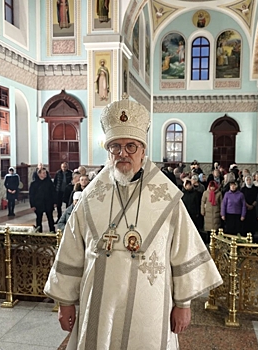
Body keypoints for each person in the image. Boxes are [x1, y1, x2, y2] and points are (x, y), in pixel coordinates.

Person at [44, 97, 222, 349]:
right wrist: (65, 301)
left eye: (131, 146)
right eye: (115, 147)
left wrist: (182, 304)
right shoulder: (90, 198)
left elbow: (184, 250)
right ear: (108, 151)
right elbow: (71, 250)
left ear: (143, 150)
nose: (123, 153)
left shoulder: (167, 198)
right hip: (99, 303)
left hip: (150, 306)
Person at [29, 168, 56, 233]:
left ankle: (52, 231)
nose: (45, 174)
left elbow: (53, 193)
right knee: (39, 219)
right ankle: (39, 231)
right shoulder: (34, 184)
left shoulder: (49, 182)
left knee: (50, 218)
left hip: (48, 203)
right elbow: (31, 195)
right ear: (39, 174)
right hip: (38, 203)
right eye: (43, 173)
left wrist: (55, 202)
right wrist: (32, 205)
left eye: (45, 173)